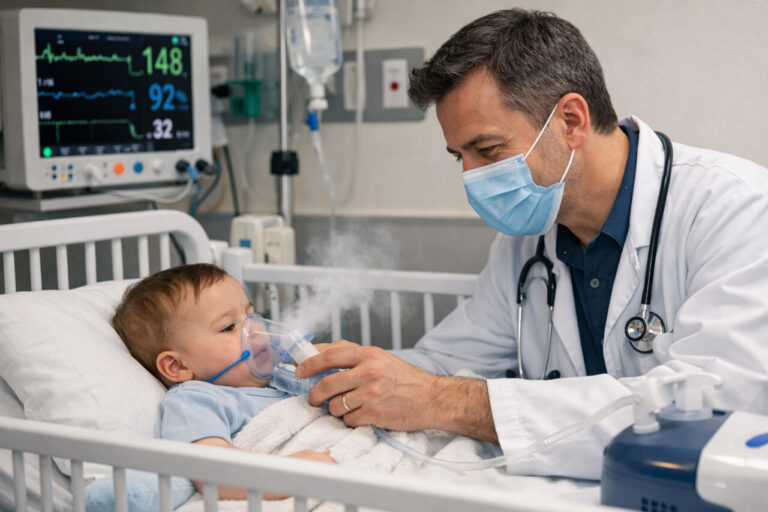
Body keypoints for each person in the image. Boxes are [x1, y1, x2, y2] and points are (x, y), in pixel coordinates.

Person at [295, 8, 768, 480]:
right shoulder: (527, 240)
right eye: (459, 157)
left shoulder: (734, 209)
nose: (472, 177)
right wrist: (334, 372)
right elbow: (444, 363)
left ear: (571, 120)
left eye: (488, 150)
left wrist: (445, 402)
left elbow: (715, 410)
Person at [113, 263, 335, 500]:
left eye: (251, 315)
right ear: (177, 366)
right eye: (229, 327)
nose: (256, 329)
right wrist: (291, 474)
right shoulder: (196, 400)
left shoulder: (283, 377)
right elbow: (213, 472)